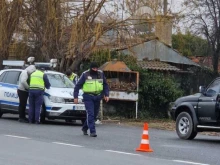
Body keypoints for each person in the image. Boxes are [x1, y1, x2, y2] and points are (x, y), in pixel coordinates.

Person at [74, 62, 109, 137]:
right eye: (94, 68)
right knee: (90, 114)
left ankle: (84, 128)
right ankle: (93, 131)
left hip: (98, 97)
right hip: (88, 97)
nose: (95, 70)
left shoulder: (101, 74)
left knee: (94, 115)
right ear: (91, 68)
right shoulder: (85, 74)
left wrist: (106, 94)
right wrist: (75, 97)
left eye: (96, 68)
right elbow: (77, 86)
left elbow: (105, 85)